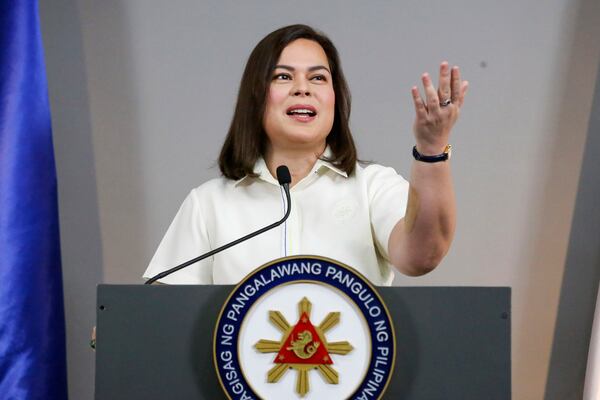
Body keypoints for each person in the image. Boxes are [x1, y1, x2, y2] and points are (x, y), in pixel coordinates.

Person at [142, 24, 468, 286]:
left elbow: (421, 257)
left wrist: (431, 149)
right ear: (256, 97)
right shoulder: (210, 204)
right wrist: (122, 326)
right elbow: (163, 315)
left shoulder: (373, 188)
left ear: (334, 99)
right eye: (283, 76)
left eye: (318, 77)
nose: (303, 88)